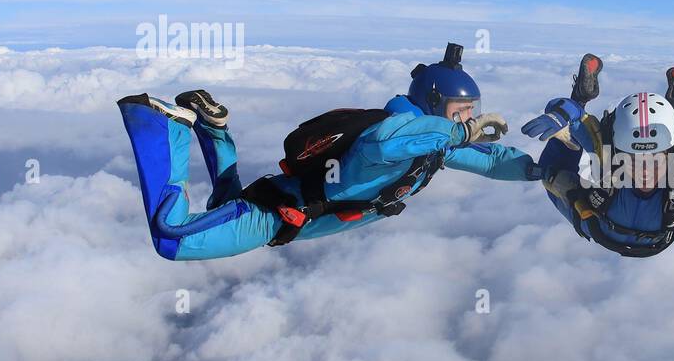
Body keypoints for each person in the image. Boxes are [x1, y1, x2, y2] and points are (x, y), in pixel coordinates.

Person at [117, 42, 539, 260]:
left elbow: (493, 160)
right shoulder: (389, 139)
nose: (467, 119)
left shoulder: (433, 150)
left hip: (283, 212)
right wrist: (459, 133)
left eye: (471, 113)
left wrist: (541, 171)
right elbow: (393, 141)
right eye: (459, 111)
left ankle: (213, 128)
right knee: (171, 239)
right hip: (272, 216)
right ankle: (165, 127)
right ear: (433, 105)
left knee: (225, 201)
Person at [520, 54, 674, 257]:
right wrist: (566, 111)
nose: (645, 171)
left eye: (656, 159)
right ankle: (583, 94)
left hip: (599, 226)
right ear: (618, 153)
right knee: (553, 168)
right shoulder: (610, 160)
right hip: (610, 228)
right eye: (633, 160)